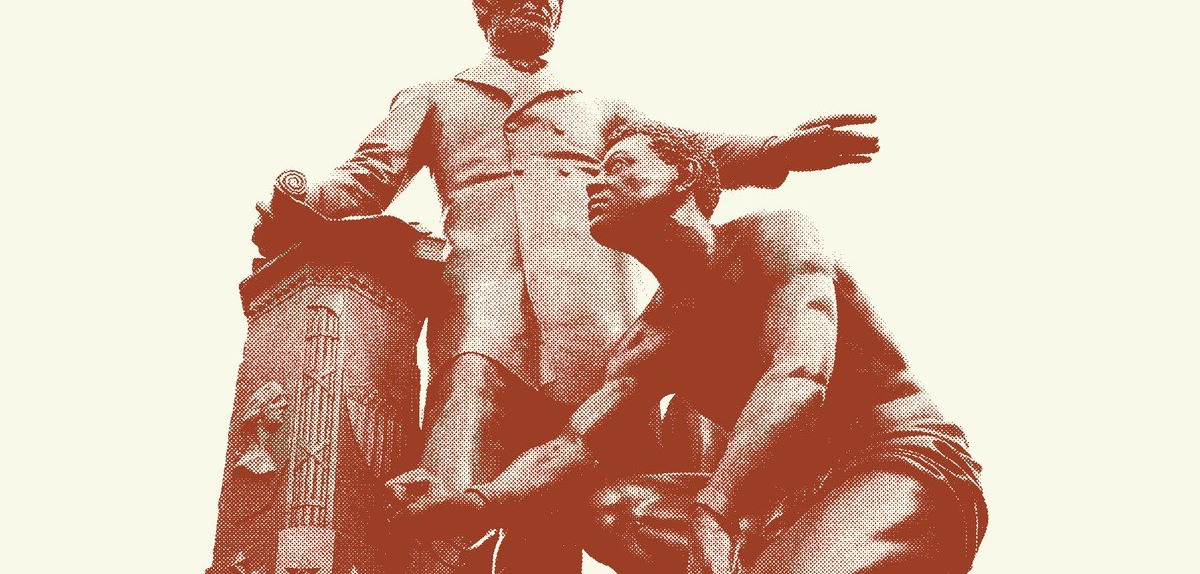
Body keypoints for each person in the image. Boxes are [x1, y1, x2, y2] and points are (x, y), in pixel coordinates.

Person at [254, 0, 880, 570]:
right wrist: (301, 200)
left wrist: (775, 150)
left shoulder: (598, 108)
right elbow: (368, 177)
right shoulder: (434, 98)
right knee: (448, 500)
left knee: (619, 508)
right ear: (485, 4)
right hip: (483, 321)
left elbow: (685, 150)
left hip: (598, 325)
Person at [400, 122, 987, 574]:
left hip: (896, 463)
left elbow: (798, 378)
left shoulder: (776, 239)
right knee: (602, 505)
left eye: (620, 167)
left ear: (683, 177)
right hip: (775, 501)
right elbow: (576, 445)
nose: (593, 185)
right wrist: (477, 502)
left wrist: (715, 508)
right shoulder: (656, 333)